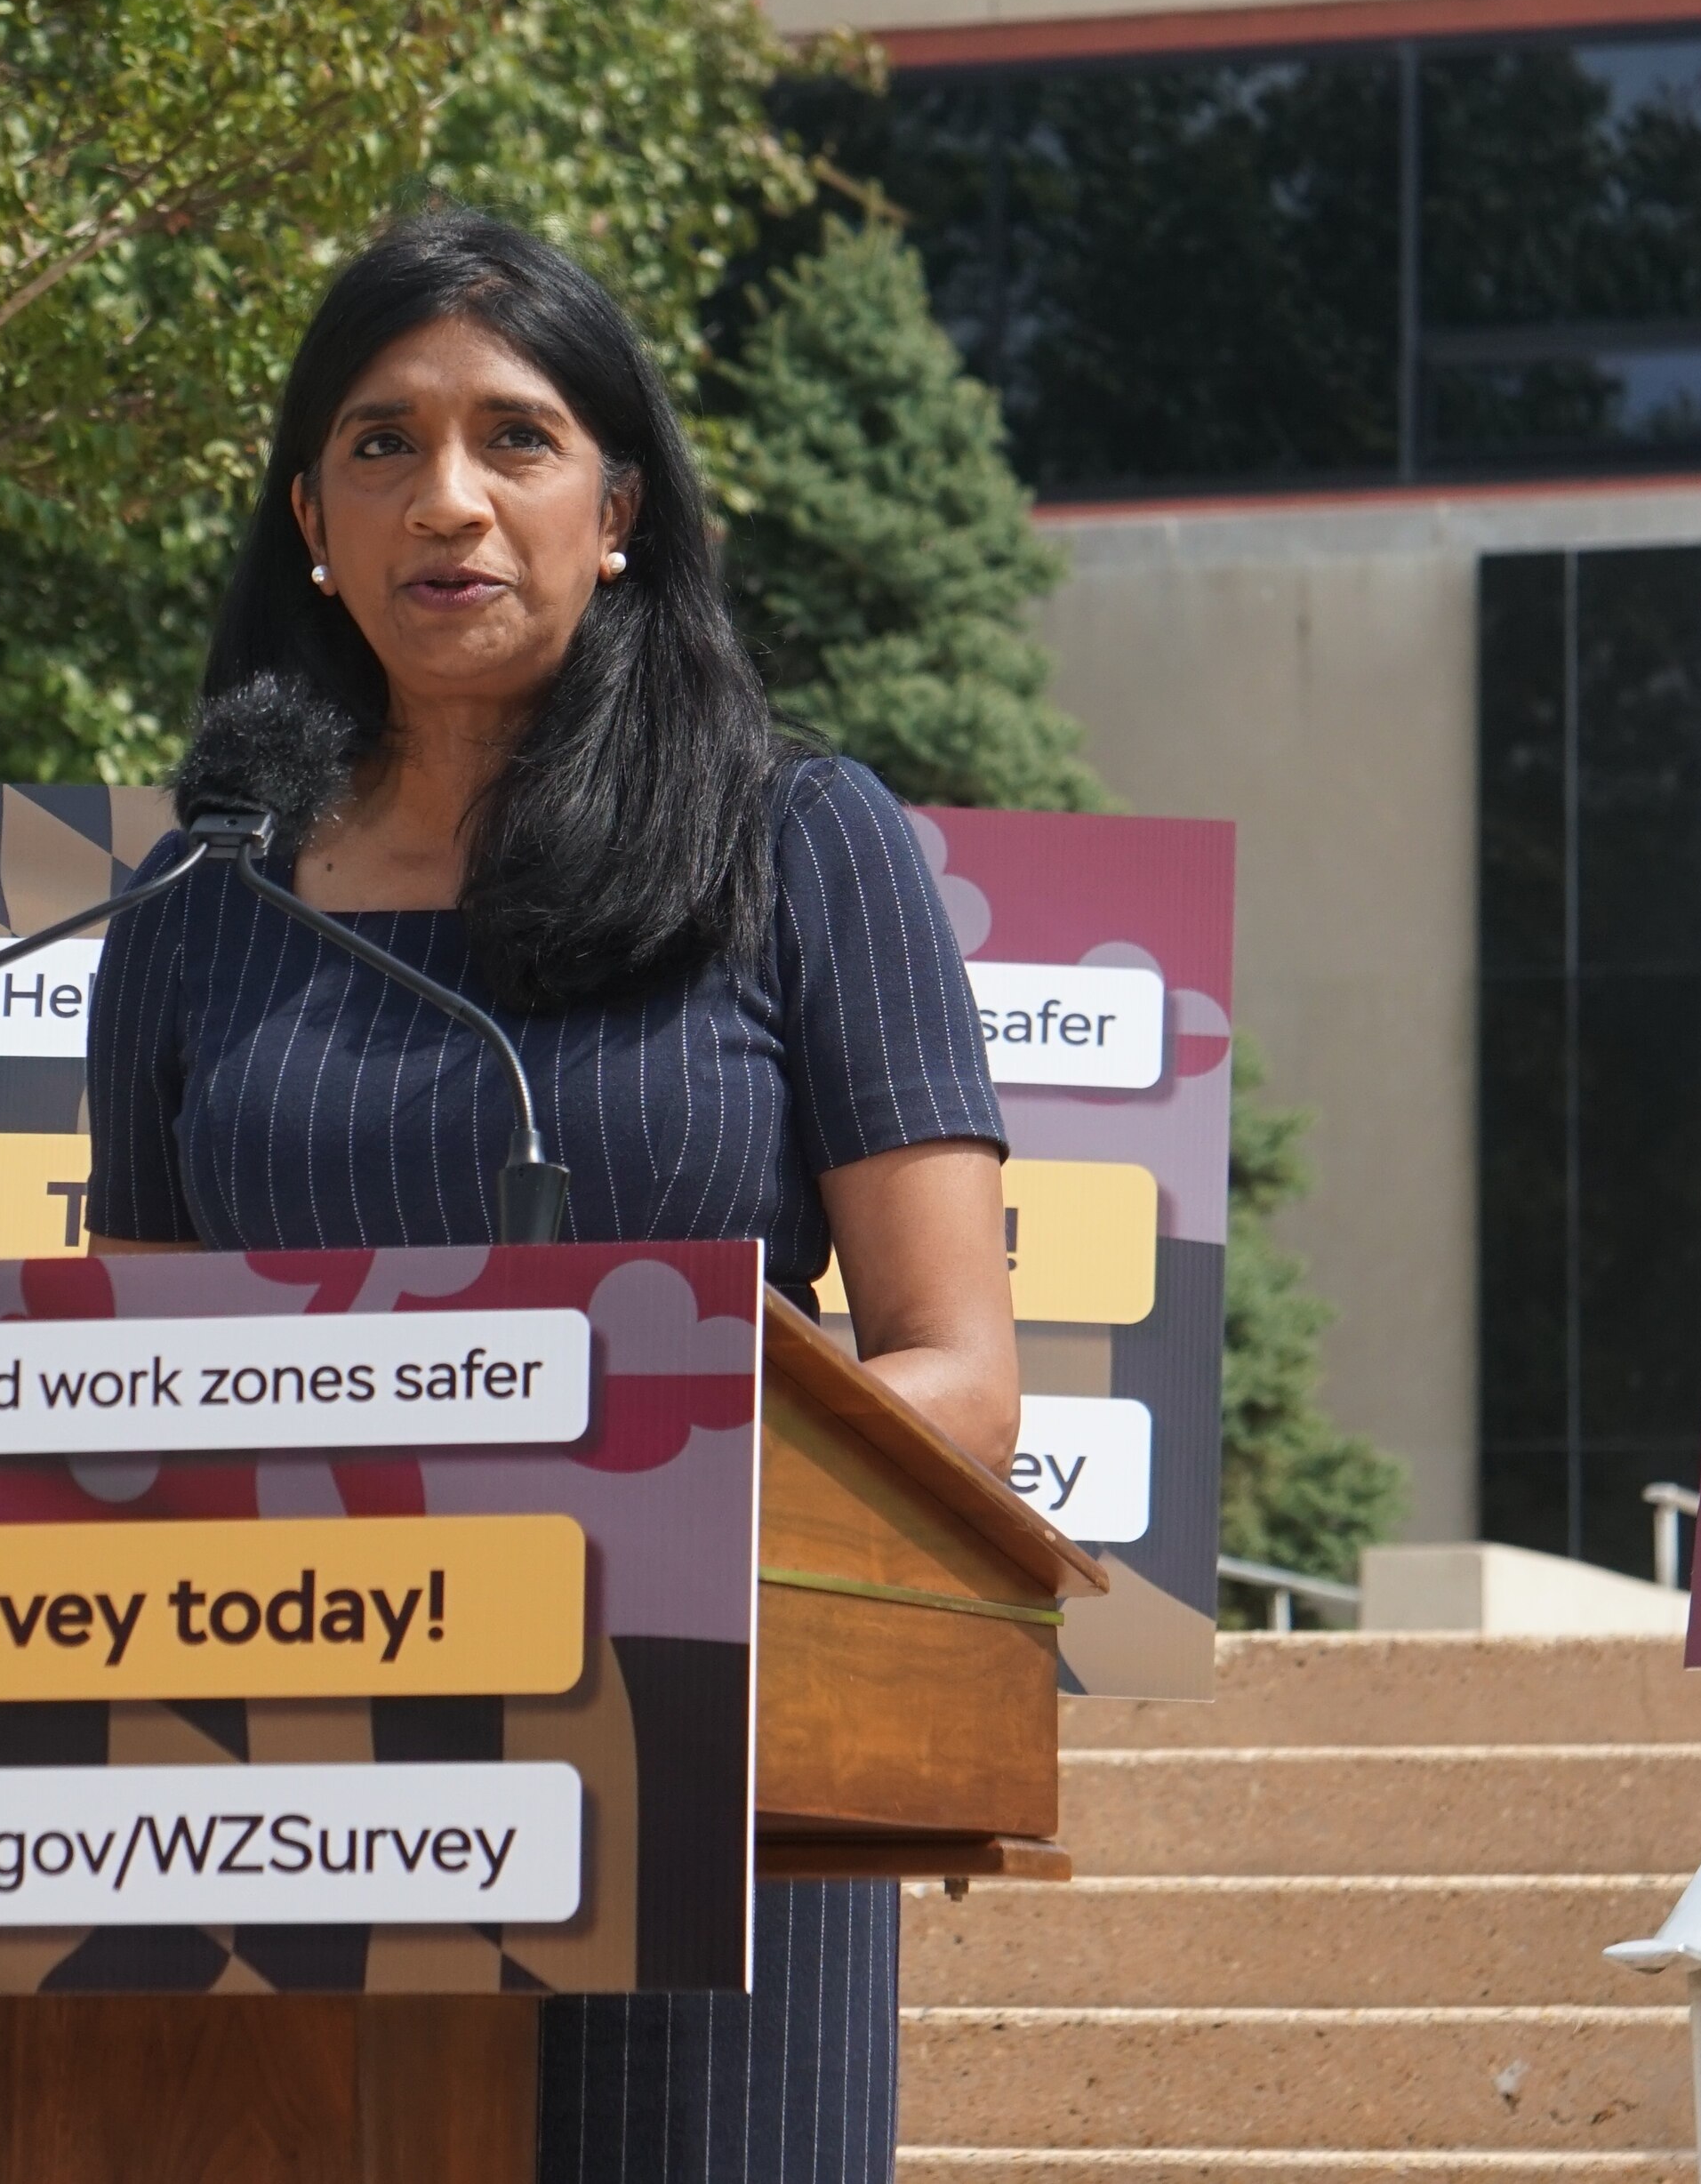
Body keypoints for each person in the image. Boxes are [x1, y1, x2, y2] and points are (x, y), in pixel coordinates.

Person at [84, 209, 1022, 2184]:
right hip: (278, 1805)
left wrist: (601, 1527)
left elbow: (955, 1379)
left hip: (691, 1790)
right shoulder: (201, 901)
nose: (449, 499)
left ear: (619, 513)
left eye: (516, 438)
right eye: (380, 443)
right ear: (309, 525)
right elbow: (124, 1407)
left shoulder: (798, 842)